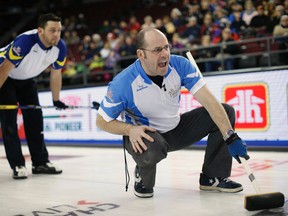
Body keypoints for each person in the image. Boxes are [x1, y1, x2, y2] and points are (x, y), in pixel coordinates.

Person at [96, 27, 249, 198]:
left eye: (166, 47)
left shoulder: (180, 65)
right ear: (141, 54)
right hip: (144, 136)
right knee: (152, 149)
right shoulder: (123, 83)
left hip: (175, 129)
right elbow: (101, 121)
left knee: (225, 112)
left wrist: (230, 136)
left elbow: (209, 101)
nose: (165, 54)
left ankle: (212, 177)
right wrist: (129, 130)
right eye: (157, 50)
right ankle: (142, 177)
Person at [0, 13, 68, 179]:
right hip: (6, 77)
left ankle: (40, 163)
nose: (57, 35)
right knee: (9, 123)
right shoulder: (25, 42)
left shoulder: (61, 47)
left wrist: (56, 99)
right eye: (52, 30)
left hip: (27, 80)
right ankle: (17, 165)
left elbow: (56, 73)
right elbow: (4, 68)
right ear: (40, 30)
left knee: (35, 120)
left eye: (59, 30)